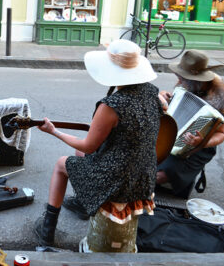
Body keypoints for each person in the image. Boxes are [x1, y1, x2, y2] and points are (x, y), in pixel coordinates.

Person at [34, 40, 162, 247]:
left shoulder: (112, 106)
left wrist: (53, 131)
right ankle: (83, 204)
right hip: (143, 174)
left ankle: (47, 230)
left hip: (118, 181)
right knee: (77, 153)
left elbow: (88, 146)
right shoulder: (152, 92)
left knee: (61, 164)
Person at [157, 50, 224, 198]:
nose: (178, 79)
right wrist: (165, 98)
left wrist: (202, 142)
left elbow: (221, 134)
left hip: (201, 145)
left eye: (182, 77)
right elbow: (174, 106)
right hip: (175, 133)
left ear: (197, 78)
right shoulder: (188, 84)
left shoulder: (219, 99)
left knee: (159, 176)